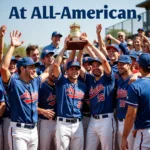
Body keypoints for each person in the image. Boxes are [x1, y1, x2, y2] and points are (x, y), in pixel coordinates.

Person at [0, 30, 52, 150]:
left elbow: (47, 72)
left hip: (33, 130)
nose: (34, 70)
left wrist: (60, 50)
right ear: (22, 69)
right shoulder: (14, 83)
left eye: (35, 67)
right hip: (18, 131)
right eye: (31, 67)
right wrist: (12, 46)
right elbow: (3, 68)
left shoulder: (35, 82)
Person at [79, 34, 116, 150]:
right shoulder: (90, 79)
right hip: (93, 120)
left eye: (97, 65)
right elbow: (79, 66)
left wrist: (90, 44)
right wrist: (80, 47)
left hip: (106, 120)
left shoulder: (108, 78)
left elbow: (104, 61)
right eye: (93, 65)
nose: (95, 67)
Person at [53, 36, 87, 150]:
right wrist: (65, 48)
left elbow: (80, 60)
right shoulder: (62, 82)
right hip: (63, 123)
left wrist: (81, 47)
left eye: (77, 69)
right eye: (71, 69)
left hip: (78, 123)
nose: (74, 71)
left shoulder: (83, 85)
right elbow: (56, 65)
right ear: (67, 71)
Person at [122, 53, 150, 150]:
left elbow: (131, 116)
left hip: (145, 133)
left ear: (139, 66)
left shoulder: (136, 86)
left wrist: (124, 137)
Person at [116, 55, 135, 150]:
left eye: (122, 64)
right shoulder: (119, 81)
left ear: (129, 65)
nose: (119, 66)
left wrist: (137, 74)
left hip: (131, 122)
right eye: (118, 64)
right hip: (120, 121)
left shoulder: (135, 80)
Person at [38, 73, 56, 150]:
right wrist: (43, 111)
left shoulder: (61, 85)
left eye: (55, 72)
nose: (53, 74)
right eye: (51, 72)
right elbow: (33, 106)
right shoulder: (41, 87)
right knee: (44, 147)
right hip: (45, 122)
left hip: (60, 122)